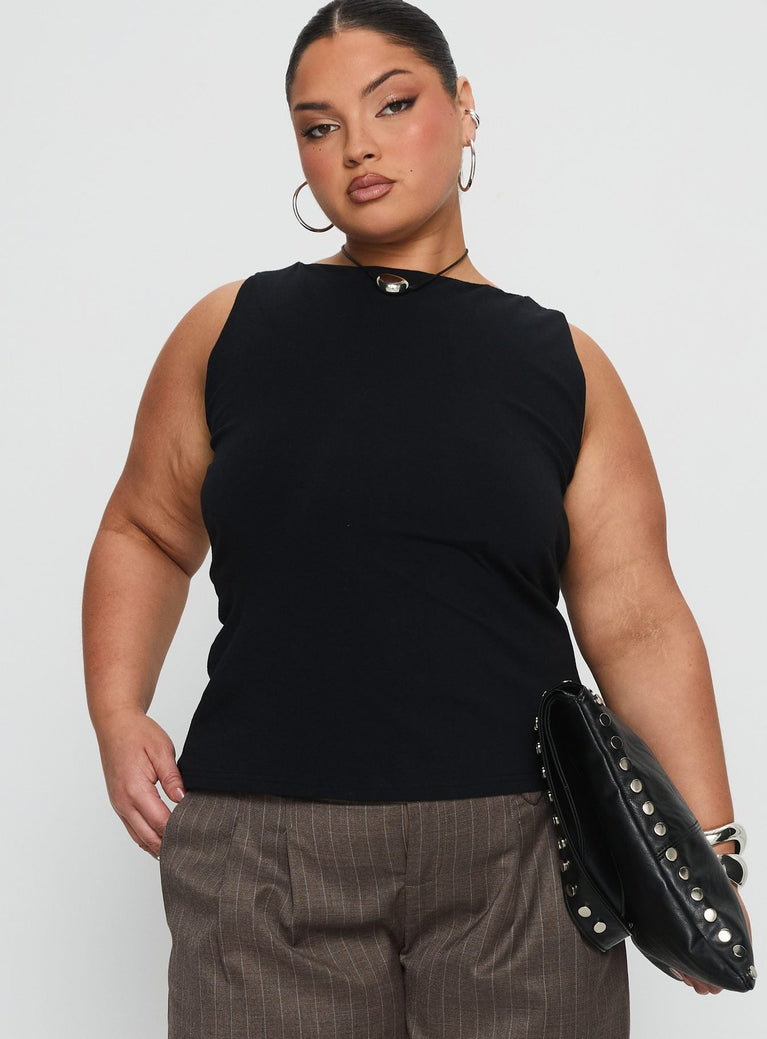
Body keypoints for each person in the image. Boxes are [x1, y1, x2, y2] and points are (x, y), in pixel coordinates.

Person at [82, 1, 752, 1036]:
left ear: (463, 106)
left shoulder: (560, 364)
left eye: (391, 105)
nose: (357, 146)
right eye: (319, 125)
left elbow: (636, 616)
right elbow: (145, 529)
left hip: (521, 860)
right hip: (262, 857)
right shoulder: (229, 332)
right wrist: (116, 710)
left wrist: (705, 852)